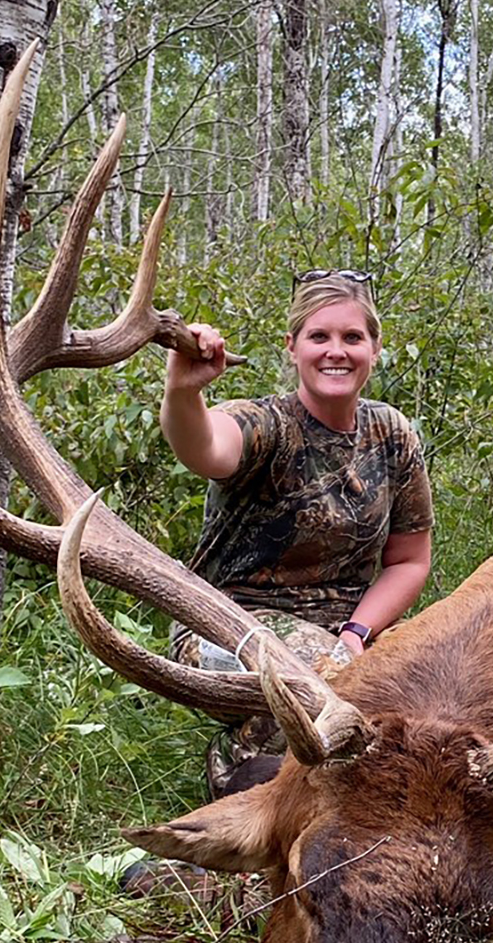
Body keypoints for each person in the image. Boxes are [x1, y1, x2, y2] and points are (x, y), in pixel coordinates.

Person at [161, 271, 434, 796]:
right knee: (328, 683)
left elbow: (408, 561)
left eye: (353, 338)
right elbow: (207, 449)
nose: (337, 352)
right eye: (319, 337)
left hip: (348, 631)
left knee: (438, 675)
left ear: (374, 349)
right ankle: (241, 768)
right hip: (226, 624)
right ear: (292, 348)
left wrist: (356, 634)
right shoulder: (267, 424)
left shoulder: (392, 436)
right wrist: (183, 392)